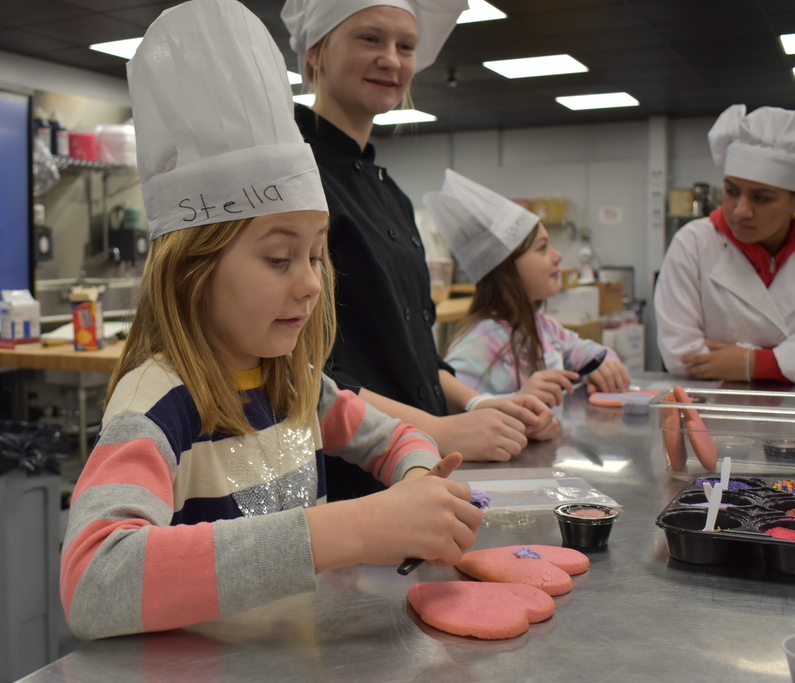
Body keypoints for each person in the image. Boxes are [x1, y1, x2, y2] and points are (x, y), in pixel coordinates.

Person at [60, 0, 482, 640]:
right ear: (192, 269)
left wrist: (417, 487)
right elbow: (94, 581)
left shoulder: (296, 386)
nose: (311, 282)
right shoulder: (157, 407)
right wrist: (353, 529)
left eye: (315, 256)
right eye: (280, 257)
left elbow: (397, 439)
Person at [281, 0, 554, 494]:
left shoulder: (393, 196)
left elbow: (414, 351)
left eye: (405, 46)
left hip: (416, 464)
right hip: (346, 475)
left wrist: (477, 406)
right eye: (370, 39)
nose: (392, 59)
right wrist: (441, 429)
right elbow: (300, 369)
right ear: (316, 51)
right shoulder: (294, 177)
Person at [427, 170, 631, 409]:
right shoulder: (481, 342)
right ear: (506, 269)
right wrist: (516, 399)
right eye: (543, 248)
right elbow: (447, 409)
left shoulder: (541, 326)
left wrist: (602, 363)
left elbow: (583, 350)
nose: (558, 256)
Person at [655, 104, 795, 383]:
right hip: (713, 409)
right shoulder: (694, 243)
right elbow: (680, 353)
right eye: (731, 192)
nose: (741, 211)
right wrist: (784, 360)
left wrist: (751, 363)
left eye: (762, 198)